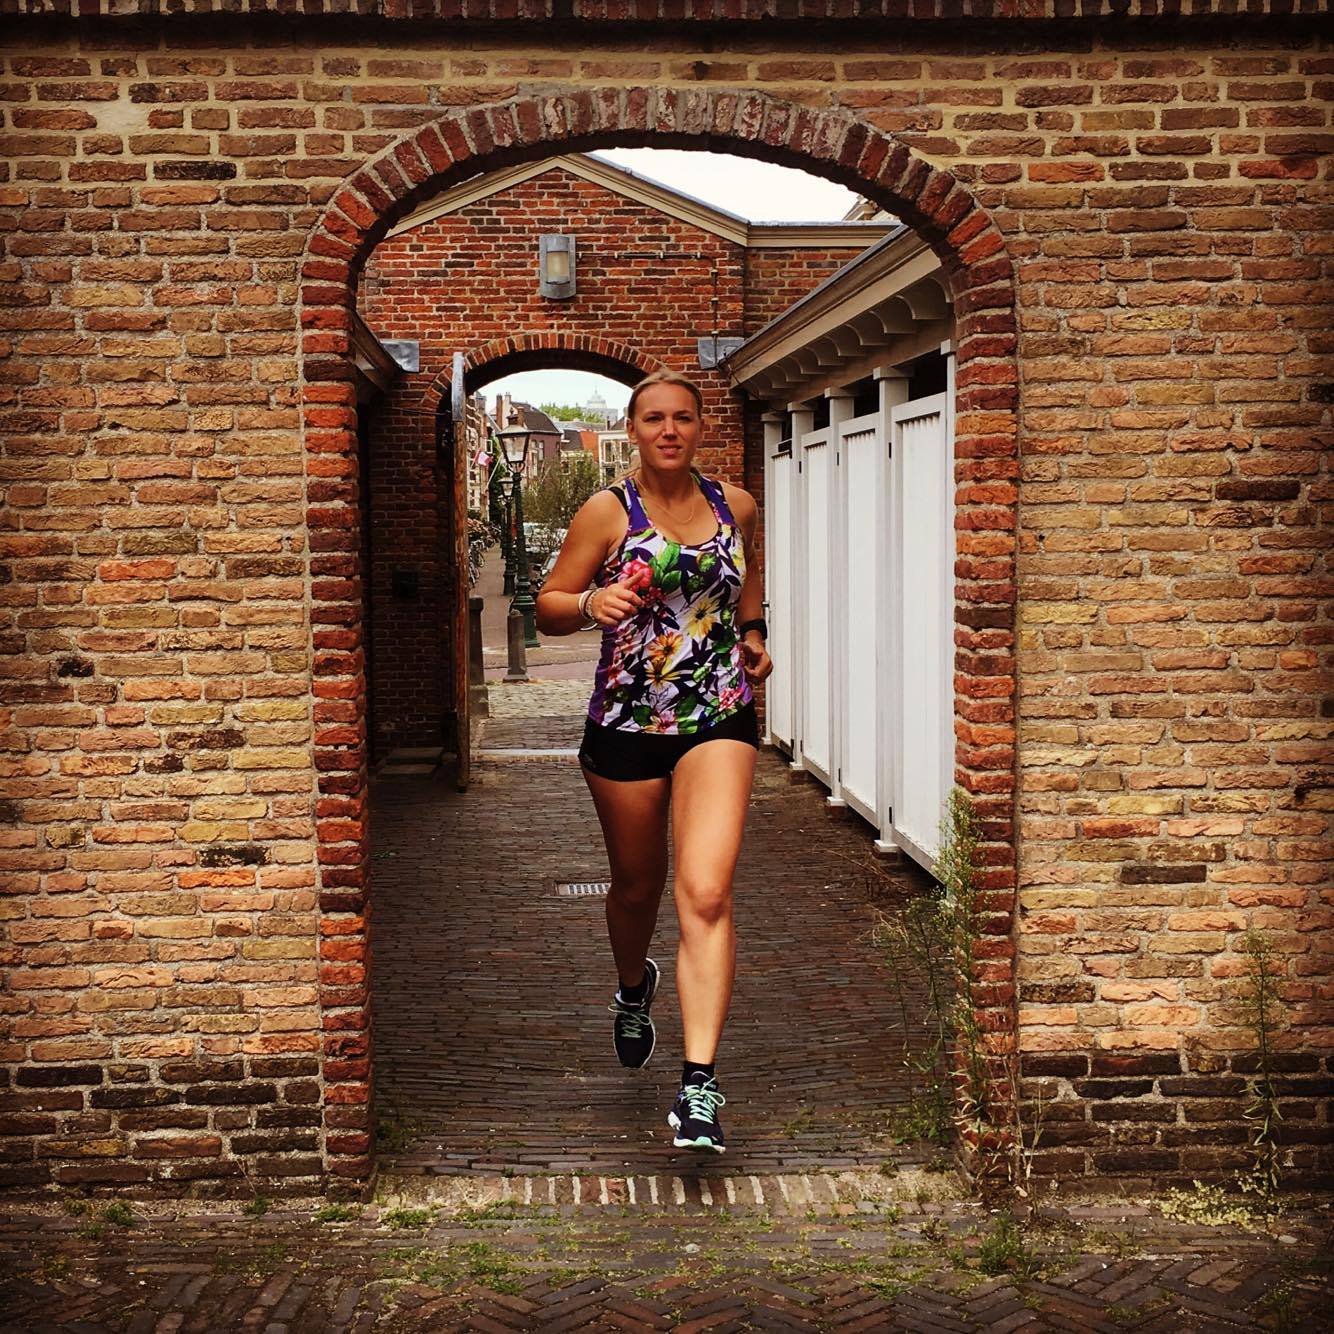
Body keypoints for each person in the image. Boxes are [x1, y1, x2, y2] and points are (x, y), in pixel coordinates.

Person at [535, 370, 772, 1155]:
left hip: (718, 715)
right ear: (633, 430)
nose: (669, 430)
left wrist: (754, 637)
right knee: (637, 887)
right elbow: (548, 605)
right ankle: (634, 987)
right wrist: (589, 604)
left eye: (683, 418)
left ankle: (699, 1085)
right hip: (627, 722)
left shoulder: (736, 506)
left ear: (701, 427)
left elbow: (745, 586)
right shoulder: (607, 511)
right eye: (654, 419)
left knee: (705, 891)